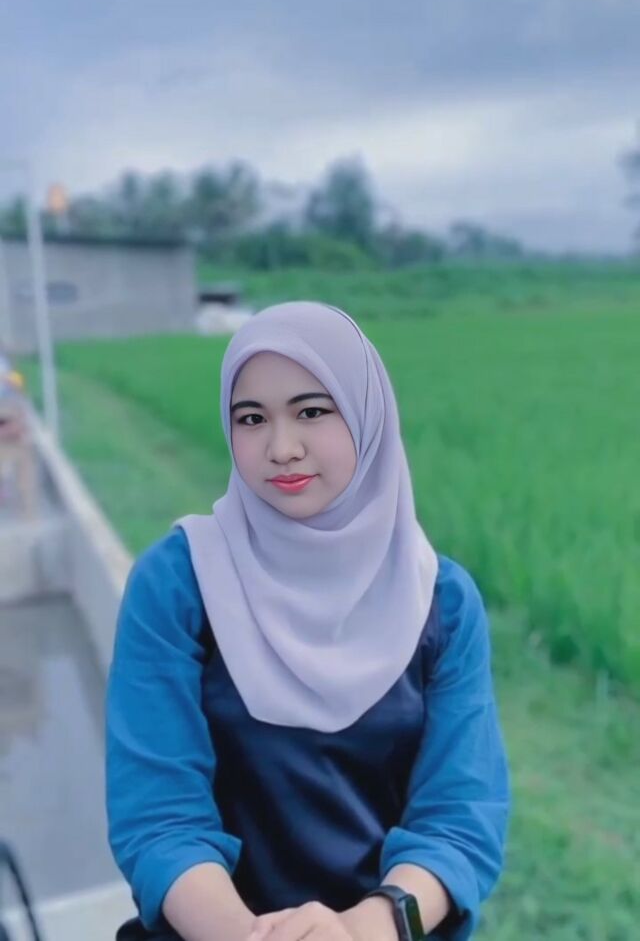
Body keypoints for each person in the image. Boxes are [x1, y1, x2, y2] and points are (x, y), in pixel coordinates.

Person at [106, 301, 510, 941]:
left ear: (367, 415)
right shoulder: (180, 582)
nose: (282, 448)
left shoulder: (441, 600)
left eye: (313, 411)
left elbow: (460, 819)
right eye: (251, 418)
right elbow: (160, 817)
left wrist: (364, 929)